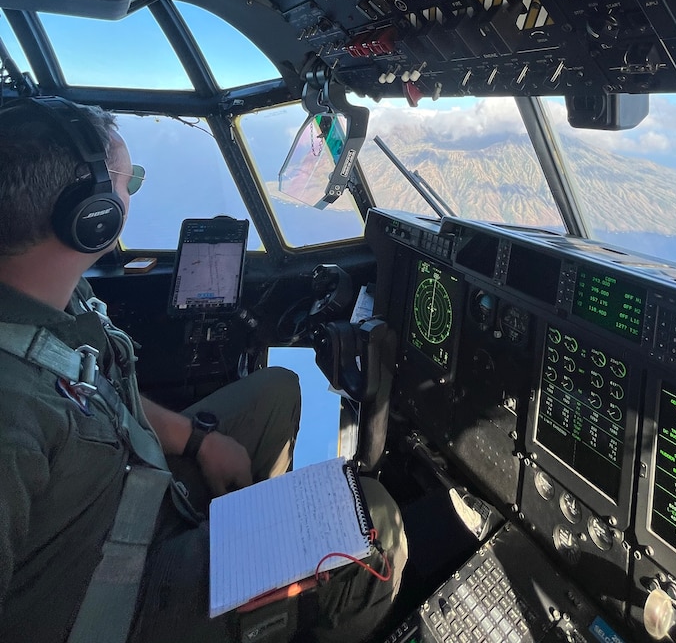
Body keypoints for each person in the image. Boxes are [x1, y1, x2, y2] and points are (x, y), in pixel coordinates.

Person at [0, 96, 407, 643]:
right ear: (91, 215)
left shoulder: (56, 297)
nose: (129, 195)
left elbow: (89, 381)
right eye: (128, 182)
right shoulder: (10, 414)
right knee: (373, 520)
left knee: (279, 390)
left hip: (129, 486)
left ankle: (252, 547)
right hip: (121, 601)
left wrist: (196, 441)